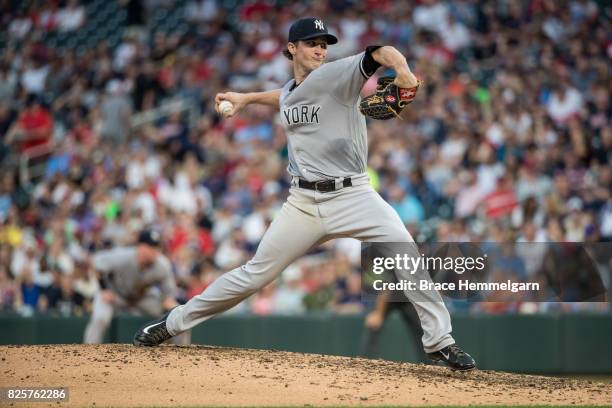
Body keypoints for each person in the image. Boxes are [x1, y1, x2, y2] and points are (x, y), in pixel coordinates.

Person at [133, 17, 476, 370]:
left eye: (324, 44)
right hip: (303, 203)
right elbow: (284, 97)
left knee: (407, 258)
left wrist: (402, 70)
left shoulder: (336, 74)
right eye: (312, 43)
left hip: (354, 195)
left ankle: (440, 343)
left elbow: (379, 52)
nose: (320, 49)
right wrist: (247, 99)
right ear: (292, 49)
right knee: (254, 274)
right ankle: (173, 323)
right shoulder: (291, 90)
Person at [84, 229, 185, 344]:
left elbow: (168, 294)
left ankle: (179, 355)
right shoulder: (122, 256)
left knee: (178, 317)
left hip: (141, 298)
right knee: (100, 318)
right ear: (141, 247)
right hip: (115, 295)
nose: (156, 251)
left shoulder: (162, 265)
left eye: (157, 247)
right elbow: (95, 262)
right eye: (151, 247)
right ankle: (88, 353)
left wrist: (169, 302)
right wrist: (104, 289)